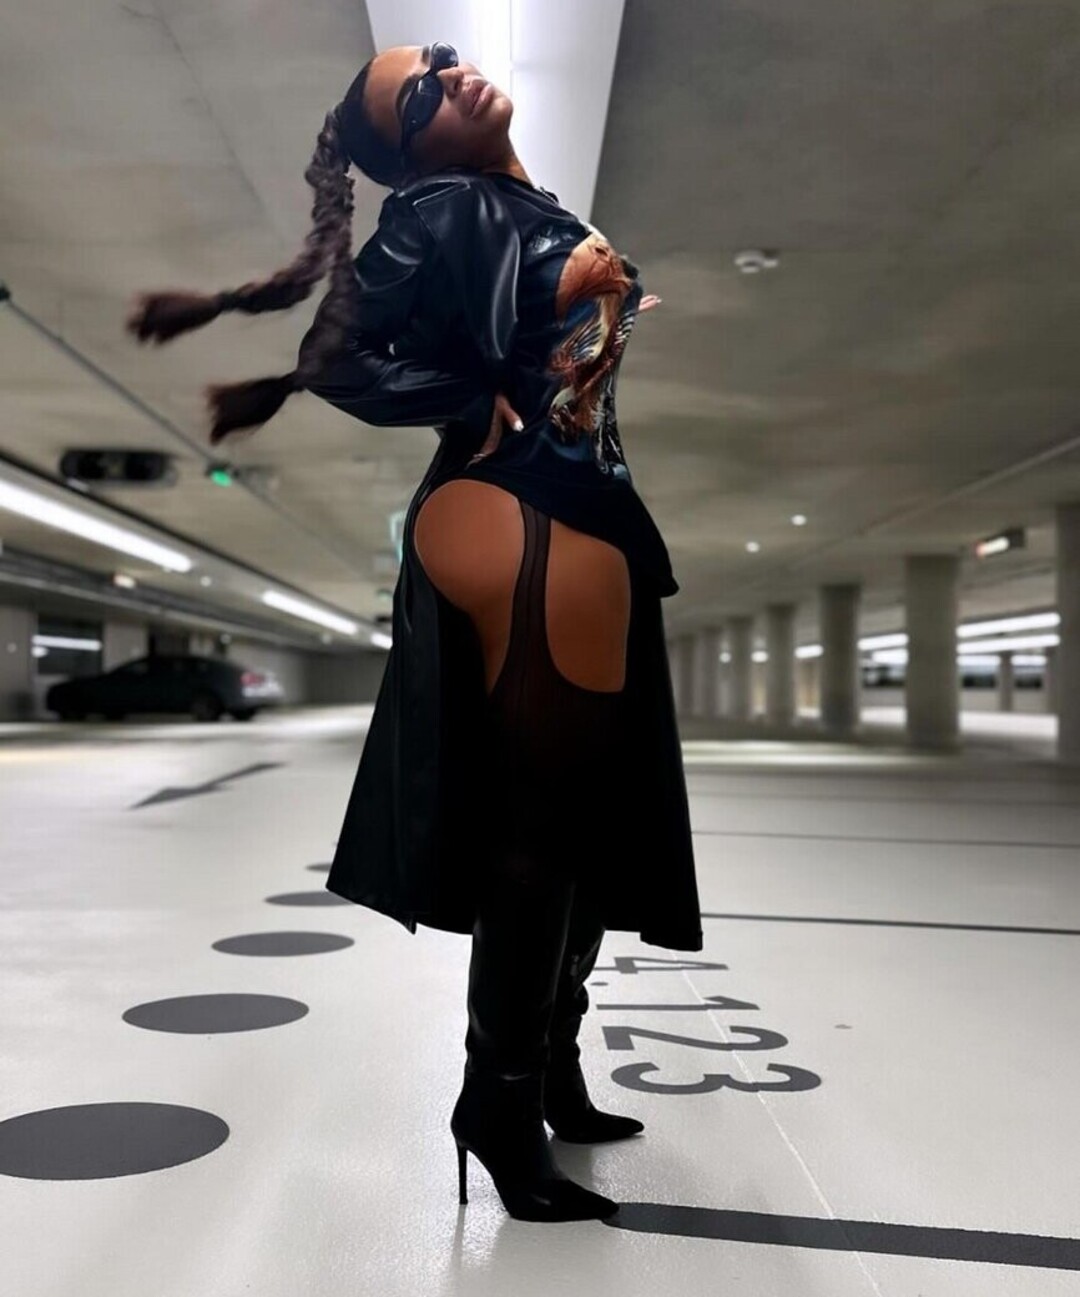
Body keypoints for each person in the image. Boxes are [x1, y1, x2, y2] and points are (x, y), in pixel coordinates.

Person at [126, 41, 703, 1224]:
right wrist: (473, 393)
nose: (450, 76)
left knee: (579, 824)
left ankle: (548, 1071)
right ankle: (498, 1100)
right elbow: (334, 357)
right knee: (542, 829)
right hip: (522, 514)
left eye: (438, 61)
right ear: (408, 153)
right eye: (420, 94)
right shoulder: (441, 207)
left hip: (576, 511)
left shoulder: (519, 205)